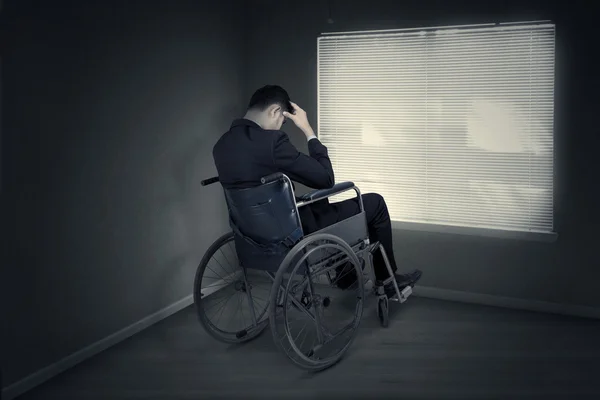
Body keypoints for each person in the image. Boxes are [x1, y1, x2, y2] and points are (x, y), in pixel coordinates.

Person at [212, 85, 422, 295]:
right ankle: (386, 281)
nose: (280, 128)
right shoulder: (271, 141)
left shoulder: (222, 146)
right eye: (282, 122)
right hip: (291, 235)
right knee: (375, 202)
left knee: (320, 203)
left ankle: (347, 274)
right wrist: (307, 130)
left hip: (252, 237)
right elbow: (325, 178)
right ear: (275, 111)